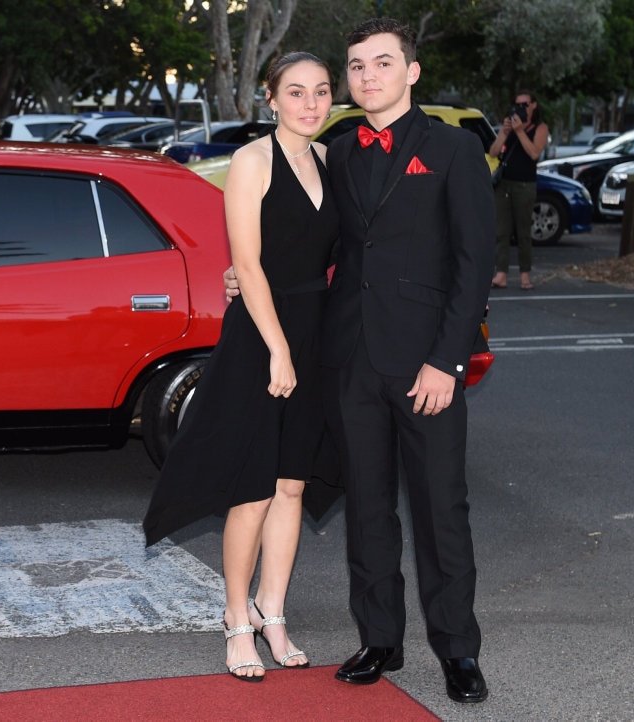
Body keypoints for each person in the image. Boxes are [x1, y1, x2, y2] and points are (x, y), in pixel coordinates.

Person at [225, 17, 493, 703]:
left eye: (382, 63)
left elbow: (474, 265)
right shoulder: (337, 152)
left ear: (412, 72)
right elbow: (309, 240)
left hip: (426, 364)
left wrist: (448, 362)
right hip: (348, 360)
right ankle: (380, 640)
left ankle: (458, 650)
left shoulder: (456, 150)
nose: (368, 77)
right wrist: (246, 276)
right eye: (358, 67)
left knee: (442, 511)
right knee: (368, 509)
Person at [143, 52, 340, 682]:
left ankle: (272, 612)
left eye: (321, 92)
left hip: (314, 329)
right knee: (253, 489)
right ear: (271, 98)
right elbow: (248, 266)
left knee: (292, 484)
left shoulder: (331, 162)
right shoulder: (253, 161)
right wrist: (278, 348)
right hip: (261, 335)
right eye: (296, 92)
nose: (310, 104)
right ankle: (235, 621)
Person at [489, 91, 548, 290]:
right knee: (501, 231)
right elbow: (493, 152)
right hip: (504, 184)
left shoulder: (540, 128)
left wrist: (521, 131)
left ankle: (524, 275)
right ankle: (501, 274)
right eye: (517, 104)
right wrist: (505, 133)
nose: (520, 108)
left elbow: (534, 153)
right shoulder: (510, 126)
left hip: (525, 185)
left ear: (533, 105)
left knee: (523, 232)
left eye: (525, 104)